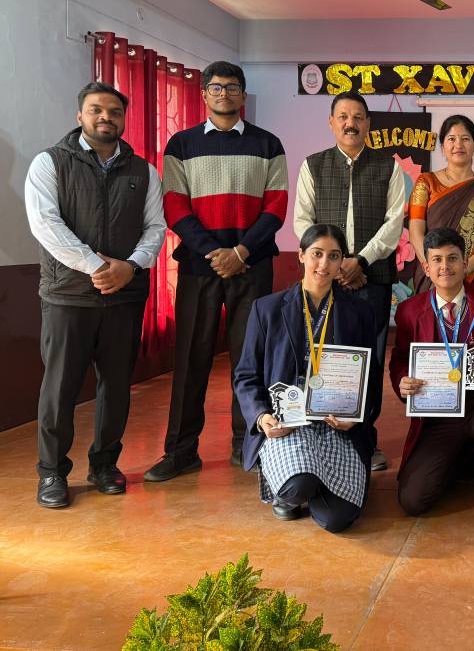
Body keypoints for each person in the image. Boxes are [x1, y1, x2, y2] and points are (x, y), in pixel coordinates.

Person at [25, 81, 166, 508]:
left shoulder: (143, 171)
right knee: (60, 389)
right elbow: (46, 224)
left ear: (124, 119)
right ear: (80, 116)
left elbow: (155, 227)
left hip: (125, 296)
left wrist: (131, 266)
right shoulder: (50, 162)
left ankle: (104, 465)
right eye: (96, 110)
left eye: (114, 111)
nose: (106, 117)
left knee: (117, 388)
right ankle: (52, 472)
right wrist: (98, 267)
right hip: (68, 296)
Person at [145, 61, 288, 482]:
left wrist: (241, 251)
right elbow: (175, 206)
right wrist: (214, 252)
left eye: (232, 87)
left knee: (251, 358)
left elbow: (276, 205)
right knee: (191, 358)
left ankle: (249, 444)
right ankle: (181, 451)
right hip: (199, 267)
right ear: (204, 94)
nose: (224, 93)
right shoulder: (181, 144)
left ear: (243, 94)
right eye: (216, 87)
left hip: (253, 265)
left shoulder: (268, 143)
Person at [233, 224, 381, 532]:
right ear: (301, 255)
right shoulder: (267, 309)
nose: (324, 264)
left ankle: (315, 482)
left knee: (337, 520)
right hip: (288, 425)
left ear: (342, 262)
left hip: (337, 426)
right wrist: (261, 417)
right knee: (297, 486)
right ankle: (295, 488)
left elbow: (371, 376)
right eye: (317, 254)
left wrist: (356, 418)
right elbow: (246, 375)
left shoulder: (360, 312)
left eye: (334, 256)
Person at [293, 91, 405, 472]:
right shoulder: (314, 165)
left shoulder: (388, 167)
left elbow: (394, 222)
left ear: (368, 123)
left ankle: (365, 441)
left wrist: (361, 260)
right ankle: (319, 437)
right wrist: (334, 262)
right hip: (324, 279)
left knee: (369, 359)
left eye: (358, 117)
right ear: (331, 122)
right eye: (343, 116)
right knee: (322, 356)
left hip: (372, 280)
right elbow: (302, 221)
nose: (350, 123)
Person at [390, 227, 474, 516]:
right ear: (426, 268)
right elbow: (400, 358)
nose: (445, 266)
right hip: (439, 411)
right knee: (413, 501)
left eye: (452, 258)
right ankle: (460, 458)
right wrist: (402, 380)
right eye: (437, 260)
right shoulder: (410, 311)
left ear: (466, 263)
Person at [409, 114, 474, 293]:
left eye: (465, 139)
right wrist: (433, 268)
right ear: (442, 146)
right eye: (451, 139)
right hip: (432, 278)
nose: (458, 145)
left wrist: (460, 271)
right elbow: (415, 231)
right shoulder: (426, 182)